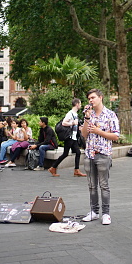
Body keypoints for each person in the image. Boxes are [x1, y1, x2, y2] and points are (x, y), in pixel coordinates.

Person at [81, 88, 120, 225]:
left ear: (100, 97)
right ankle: (94, 211)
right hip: (89, 154)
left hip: (103, 154)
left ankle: (106, 214)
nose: (91, 100)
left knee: (104, 185)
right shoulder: (89, 115)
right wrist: (86, 118)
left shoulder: (110, 115)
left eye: (93, 98)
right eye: (89, 99)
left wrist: (98, 131)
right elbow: (84, 134)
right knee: (92, 185)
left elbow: (115, 135)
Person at [48, 98, 86, 177]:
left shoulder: (75, 114)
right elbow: (64, 123)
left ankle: (76, 170)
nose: (81, 105)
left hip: (73, 136)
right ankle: (53, 167)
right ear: (77, 104)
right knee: (66, 154)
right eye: (80, 103)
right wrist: (72, 123)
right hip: (70, 137)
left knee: (76, 153)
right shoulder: (70, 113)